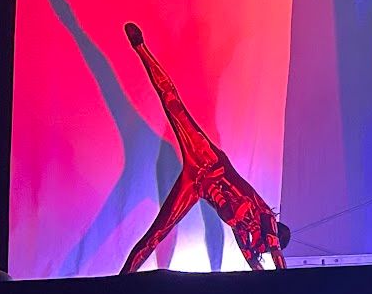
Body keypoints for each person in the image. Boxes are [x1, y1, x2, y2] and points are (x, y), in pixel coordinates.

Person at [119, 24, 290, 273]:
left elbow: (255, 266)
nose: (261, 249)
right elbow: (276, 262)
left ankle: (121, 281)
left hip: (196, 183)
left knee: (156, 233)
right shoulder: (264, 217)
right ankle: (140, 47)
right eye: (266, 246)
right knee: (172, 102)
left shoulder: (246, 234)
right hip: (209, 161)